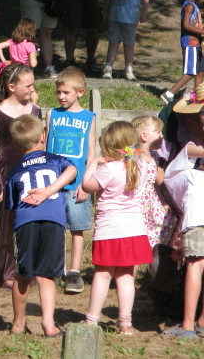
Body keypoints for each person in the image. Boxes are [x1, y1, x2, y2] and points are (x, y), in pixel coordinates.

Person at [6, 114, 77, 337]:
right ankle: (48, 324)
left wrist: (9, 239)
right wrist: (49, 191)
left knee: (23, 274)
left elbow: (10, 209)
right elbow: (73, 170)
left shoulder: (15, 172)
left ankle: (18, 324)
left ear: (17, 144)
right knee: (47, 275)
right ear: (43, 137)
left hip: (24, 222)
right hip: (53, 221)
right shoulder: (56, 160)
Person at [81, 121, 152, 335]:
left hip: (110, 231)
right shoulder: (141, 166)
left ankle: (91, 320)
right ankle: (125, 323)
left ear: (109, 146)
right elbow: (139, 152)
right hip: (134, 230)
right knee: (126, 277)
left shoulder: (108, 169)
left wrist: (94, 162)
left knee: (102, 275)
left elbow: (86, 185)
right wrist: (133, 149)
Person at [0, 63, 41, 290]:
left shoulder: (35, 110)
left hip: (32, 174)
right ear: (11, 87)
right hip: (8, 175)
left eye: (32, 84)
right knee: (7, 225)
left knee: (31, 222)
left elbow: (39, 143)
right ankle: (5, 270)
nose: (31, 89)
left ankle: (28, 267)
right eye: (27, 85)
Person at [45, 66, 96, 295]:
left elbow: (91, 155)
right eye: (58, 92)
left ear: (80, 92)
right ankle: (56, 268)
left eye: (66, 92)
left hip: (77, 186)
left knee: (77, 229)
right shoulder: (52, 114)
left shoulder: (88, 118)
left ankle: (74, 272)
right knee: (54, 228)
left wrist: (86, 184)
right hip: (53, 183)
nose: (61, 97)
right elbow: (46, 148)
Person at [161, 128, 204, 339]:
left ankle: (188, 324)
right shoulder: (192, 152)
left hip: (198, 215)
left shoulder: (192, 166)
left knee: (195, 265)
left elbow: (170, 177)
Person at [101, 0, 150, 81]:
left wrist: (144, 13)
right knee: (113, 42)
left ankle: (128, 69)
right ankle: (108, 67)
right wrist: (105, 10)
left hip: (131, 16)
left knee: (129, 43)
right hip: (114, 14)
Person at [161, 0, 204, 104]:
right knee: (190, 71)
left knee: (200, 71)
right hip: (190, 43)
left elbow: (194, 23)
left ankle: (198, 97)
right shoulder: (189, 6)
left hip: (197, 44)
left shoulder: (194, 6)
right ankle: (169, 94)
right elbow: (186, 25)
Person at [131, 115, 169, 248]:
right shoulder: (132, 155)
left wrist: (164, 202)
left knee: (158, 228)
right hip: (137, 201)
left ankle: (152, 262)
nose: (161, 136)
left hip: (151, 202)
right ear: (144, 136)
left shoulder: (154, 156)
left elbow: (157, 183)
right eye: (158, 132)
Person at [0, 18, 39, 87]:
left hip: (13, 69)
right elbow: (33, 64)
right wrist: (35, 55)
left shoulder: (12, 41)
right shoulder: (30, 45)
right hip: (24, 71)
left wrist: (4, 60)